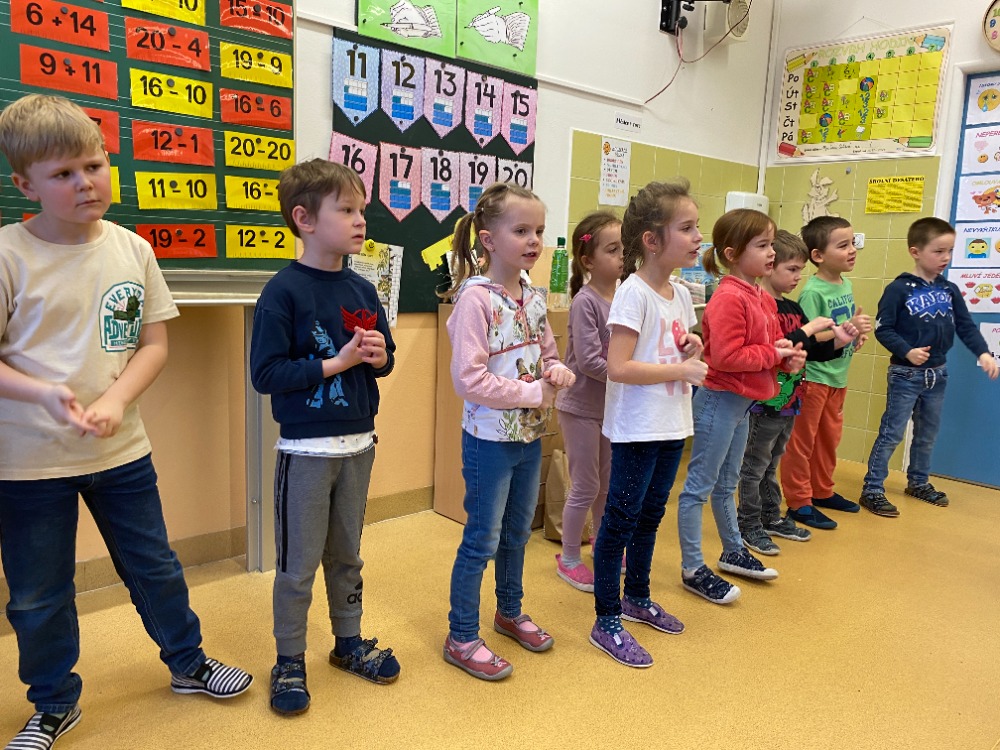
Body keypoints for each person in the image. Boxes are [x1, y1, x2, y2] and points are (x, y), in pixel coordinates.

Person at [0, 94, 252, 750]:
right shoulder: (8, 254)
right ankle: (54, 703)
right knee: (38, 594)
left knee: (155, 566)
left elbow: (153, 344)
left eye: (94, 165)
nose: (86, 182)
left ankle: (189, 664)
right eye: (63, 174)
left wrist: (114, 402)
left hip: (122, 454)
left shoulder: (132, 249)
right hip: (28, 464)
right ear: (25, 184)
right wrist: (43, 395)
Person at [250, 158, 399, 716]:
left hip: (358, 445)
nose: (361, 221)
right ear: (305, 219)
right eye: (347, 210)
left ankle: (348, 642)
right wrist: (337, 363)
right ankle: (289, 659)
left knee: (347, 556)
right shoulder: (282, 291)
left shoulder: (363, 287)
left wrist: (378, 357)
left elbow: (384, 359)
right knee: (297, 565)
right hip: (306, 452)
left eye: (362, 210)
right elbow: (266, 374)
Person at [440, 182, 574, 681]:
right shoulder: (475, 300)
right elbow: (468, 380)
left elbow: (548, 356)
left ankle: (509, 612)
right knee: (482, 538)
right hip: (489, 441)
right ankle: (461, 635)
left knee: (518, 533)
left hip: (529, 436)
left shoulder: (532, 296)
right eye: (521, 230)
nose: (534, 240)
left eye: (538, 230)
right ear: (488, 239)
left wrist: (556, 372)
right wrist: (533, 392)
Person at [589, 181, 707, 668]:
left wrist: (692, 347)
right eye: (687, 228)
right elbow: (618, 367)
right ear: (652, 240)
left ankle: (637, 597)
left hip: (671, 422)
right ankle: (606, 619)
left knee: (651, 515)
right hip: (638, 427)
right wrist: (680, 370)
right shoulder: (632, 293)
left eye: (697, 226)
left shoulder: (679, 293)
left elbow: (674, 343)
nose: (698, 236)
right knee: (620, 520)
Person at [677, 209, 806, 604]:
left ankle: (733, 551)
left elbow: (765, 347)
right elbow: (727, 356)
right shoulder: (729, 297)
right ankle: (692, 567)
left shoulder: (760, 296)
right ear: (732, 254)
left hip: (742, 406)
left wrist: (785, 358)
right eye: (762, 245)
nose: (771, 253)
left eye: (771, 244)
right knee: (698, 488)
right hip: (719, 401)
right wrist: (774, 355)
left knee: (727, 483)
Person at [859, 217, 999, 516]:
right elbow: (884, 329)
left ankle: (918, 482)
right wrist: (907, 351)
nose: (945, 258)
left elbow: (965, 326)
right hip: (905, 374)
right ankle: (872, 488)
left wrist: (983, 353)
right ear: (916, 251)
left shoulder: (949, 289)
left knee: (927, 433)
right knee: (892, 433)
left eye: (949, 251)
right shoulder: (898, 289)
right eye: (938, 251)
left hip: (938, 375)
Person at [737, 230, 859, 555]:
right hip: (763, 402)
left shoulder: (791, 306)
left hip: (790, 399)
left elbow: (811, 349)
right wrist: (807, 331)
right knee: (755, 465)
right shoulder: (760, 307)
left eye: (800, 270)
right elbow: (774, 347)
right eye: (791, 269)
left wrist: (840, 340)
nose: (797, 277)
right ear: (769, 267)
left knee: (772, 461)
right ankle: (747, 523)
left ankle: (769, 516)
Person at [779, 217, 873, 530]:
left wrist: (855, 334)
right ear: (818, 255)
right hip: (814, 377)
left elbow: (843, 326)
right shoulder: (812, 292)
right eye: (843, 245)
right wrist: (843, 332)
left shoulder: (845, 284)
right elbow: (810, 336)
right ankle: (798, 501)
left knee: (828, 439)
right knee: (802, 442)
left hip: (837, 376)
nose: (852, 250)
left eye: (852, 243)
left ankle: (821, 490)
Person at [554, 211, 622, 592]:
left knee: (606, 485)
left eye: (623, 249)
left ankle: (601, 545)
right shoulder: (585, 302)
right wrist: (630, 373)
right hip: (579, 406)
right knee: (585, 484)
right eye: (612, 250)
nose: (621, 256)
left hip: (609, 408)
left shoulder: (623, 297)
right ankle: (568, 558)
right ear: (588, 261)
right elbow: (590, 361)